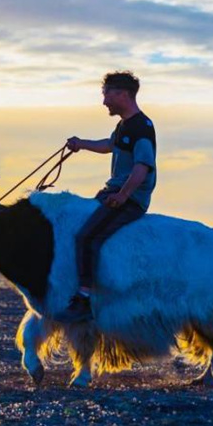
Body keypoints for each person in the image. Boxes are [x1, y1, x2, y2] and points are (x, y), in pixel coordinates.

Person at [58, 71, 157, 323]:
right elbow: (110, 145)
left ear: (123, 94)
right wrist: (81, 144)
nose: (104, 102)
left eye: (107, 95)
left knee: (86, 235)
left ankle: (84, 298)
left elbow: (142, 167)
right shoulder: (125, 125)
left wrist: (123, 196)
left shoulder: (142, 128)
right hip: (113, 192)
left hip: (129, 198)